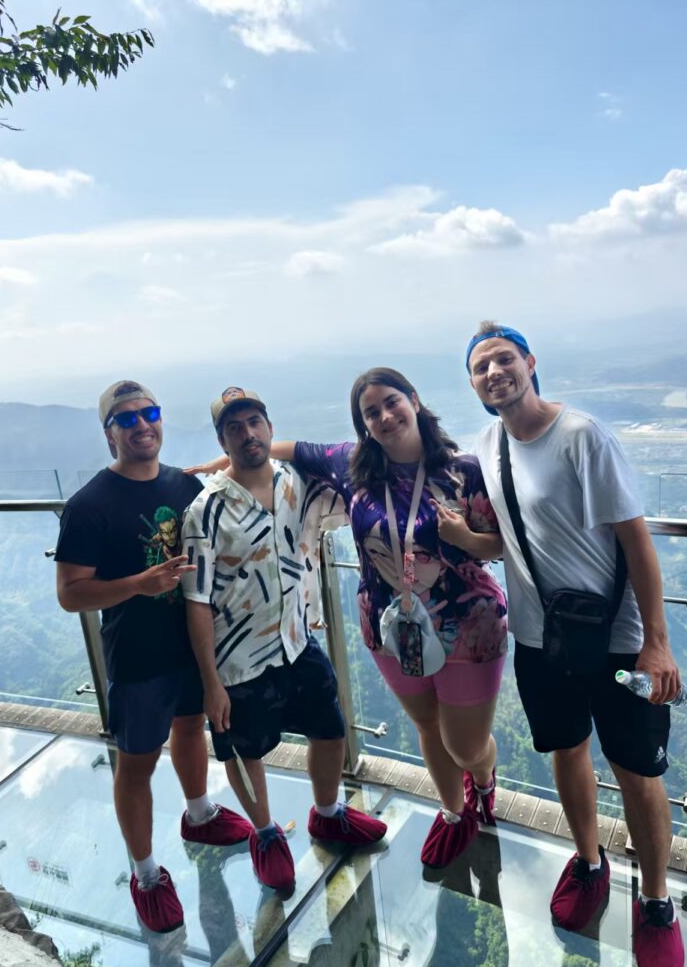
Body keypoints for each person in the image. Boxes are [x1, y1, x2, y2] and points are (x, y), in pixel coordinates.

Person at [190, 370, 508, 869]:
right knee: (428, 727)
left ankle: (482, 779)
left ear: (415, 400)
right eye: (370, 412)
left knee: (465, 746)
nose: (384, 416)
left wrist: (467, 540)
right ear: (361, 425)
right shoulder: (352, 465)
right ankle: (453, 812)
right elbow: (295, 448)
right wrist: (231, 462)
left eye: (391, 403)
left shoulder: (462, 470)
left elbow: (503, 542)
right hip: (389, 625)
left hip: (468, 624)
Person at [465, 322, 685, 967]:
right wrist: (459, 535)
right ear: (472, 384)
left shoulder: (583, 435)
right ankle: (589, 861)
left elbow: (636, 541)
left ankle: (655, 901)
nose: (494, 372)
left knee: (637, 771)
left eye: (504, 359)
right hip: (540, 641)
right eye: (480, 367)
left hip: (618, 645)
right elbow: (511, 540)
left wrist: (657, 643)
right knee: (567, 751)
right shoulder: (487, 443)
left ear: (531, 362)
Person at [55, 380, 252, 935]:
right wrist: (137, 584)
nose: (142, 425)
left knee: (190, 729)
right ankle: (145, 874)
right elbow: (70, 593)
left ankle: (200, 816)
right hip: (137, 656)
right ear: (109, 433)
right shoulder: (89, 505)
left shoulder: (182, 484)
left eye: (150, 413)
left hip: (193, 644)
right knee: (136, 763)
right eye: (127, 418)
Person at [181, 386, 387, 891]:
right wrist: (210, 684)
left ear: (270, 429)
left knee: (331, 730)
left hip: (297, 640)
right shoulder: (204, 510)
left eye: (255, 422)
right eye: (234, 427)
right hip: (238, 662)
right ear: (222, 439)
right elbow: (197, 601)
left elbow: (357, 477)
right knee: (244, 751)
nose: (247, 433)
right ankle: (266, 834)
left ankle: (327, 812)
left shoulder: (297, 483)